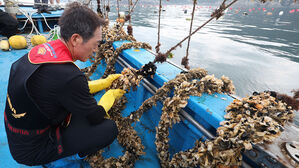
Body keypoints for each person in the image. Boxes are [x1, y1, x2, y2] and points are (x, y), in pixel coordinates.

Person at [4, 2, 125, 166]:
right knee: (109, 129)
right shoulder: (69, 77)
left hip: (19, 137)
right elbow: (96, 116)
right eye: (95, 43)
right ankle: (68, 158)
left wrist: (105, 82)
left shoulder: (44, 50)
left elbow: (66, 91)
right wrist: (109, 95)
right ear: (76, 39)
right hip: (32, 150)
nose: (96, 49)